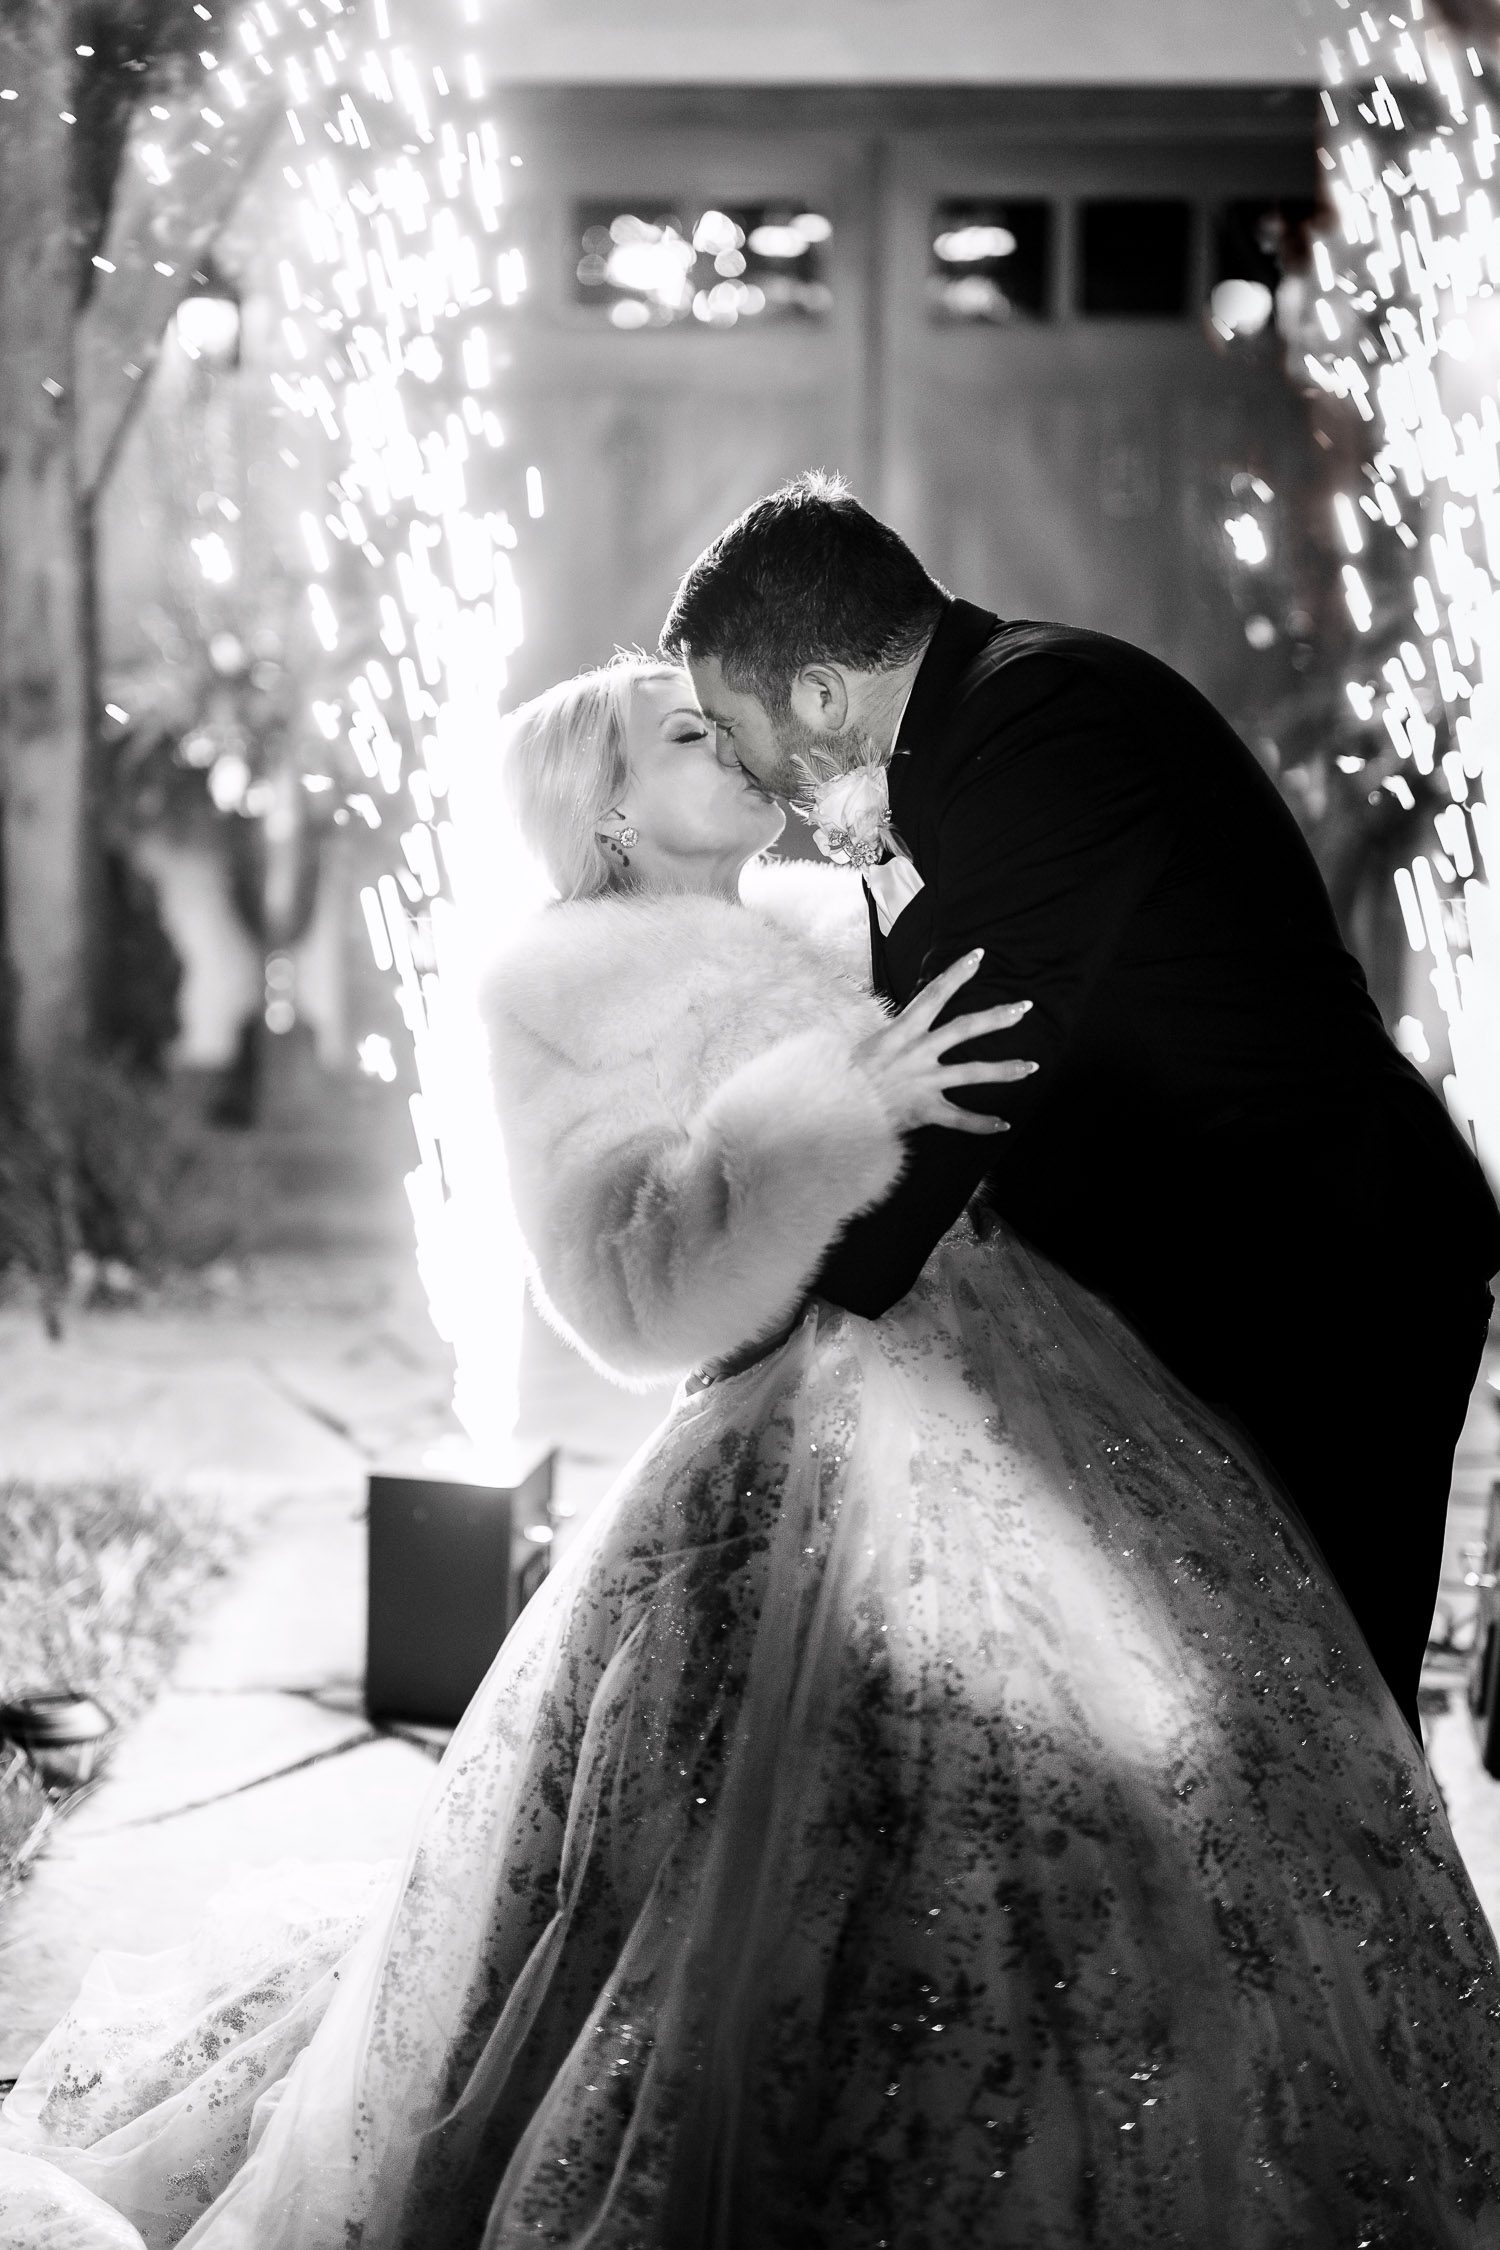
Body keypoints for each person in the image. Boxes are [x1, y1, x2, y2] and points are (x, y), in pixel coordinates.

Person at [3, 656, 1499, 2250]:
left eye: (727, 713)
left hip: (1018, 1366)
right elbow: (630, 1287)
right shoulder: (550, 988)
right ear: (615, 807)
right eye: (687, 731)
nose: (735, 741)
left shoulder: (834, 913)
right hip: (780, 1442)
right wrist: (841, 1107)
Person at [662, 472, 1500, 1741]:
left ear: (823, 696)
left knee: (1325, 1723)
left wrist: (771, 1292)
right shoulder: (970, 730)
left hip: (1326, 1276)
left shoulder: (1049, 719)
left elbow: (974, 1074)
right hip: (1198, 1270)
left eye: (734, 725)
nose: (738, 760)